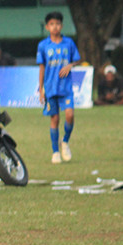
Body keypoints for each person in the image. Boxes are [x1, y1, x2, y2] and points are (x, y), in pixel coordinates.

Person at [37, 11, 81, 164]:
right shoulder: (43, 46)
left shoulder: (68, 43)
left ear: (61, 26)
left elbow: (77, 60)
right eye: (52, 24)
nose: (55, 27)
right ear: (48, 26)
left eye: (57, 24)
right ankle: (55, 152)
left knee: (70, 115)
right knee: (54, 119)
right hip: (50, 87)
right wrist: (41, 89)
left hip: (66, 87)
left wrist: (70, 65)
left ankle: (65, 141)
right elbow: (42, 68)